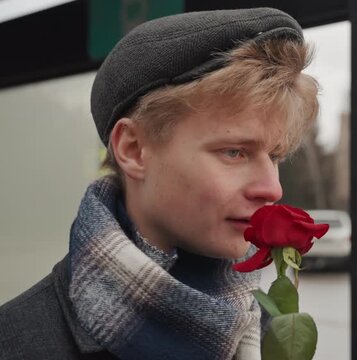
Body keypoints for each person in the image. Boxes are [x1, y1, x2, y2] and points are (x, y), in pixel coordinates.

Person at [0, 7, 319, 360]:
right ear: (133, 150)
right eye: (234, 152)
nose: (272, 188)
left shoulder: (267, 325)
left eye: (274, 156)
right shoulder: (16, 342)